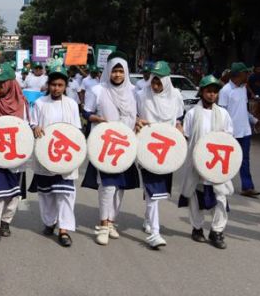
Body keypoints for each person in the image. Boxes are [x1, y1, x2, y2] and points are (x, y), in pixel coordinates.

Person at [81, 51, 141, 246]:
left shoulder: (133, 91)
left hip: (126, 144)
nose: (117, 75)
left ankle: (112, 221)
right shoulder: (98, 90)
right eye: (114, 71)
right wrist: (97, 119)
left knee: (120, 188)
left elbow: (136, 115)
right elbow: (87, 112)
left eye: (120, 71)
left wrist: (138, 123)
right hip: (105, 144)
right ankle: (103, 224)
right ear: (108, 71)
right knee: (107, 186)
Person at [179, 75, 234, 249]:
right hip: (197, 163)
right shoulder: (193, 113)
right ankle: (197, 228)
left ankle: (217, 231)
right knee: (196, 197)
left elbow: (228, 139)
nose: (212, 95)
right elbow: (186, 137)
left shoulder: (223, 114)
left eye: (215, 92)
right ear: (202, 92)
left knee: (221, 197)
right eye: (208, 91)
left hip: (217, 164)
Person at [29, 65, 81, 247]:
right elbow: (33, 123)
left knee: (65, 194)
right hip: (45, 154)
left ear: (65, 85)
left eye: (60, 85)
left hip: (66, 155)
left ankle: (64, 229)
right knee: (47, 193)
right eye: (53, 84)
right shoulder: (40, 103)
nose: (56, 88)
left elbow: (76, 131)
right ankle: (49, 222)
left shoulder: (72, 104)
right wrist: (35, 128)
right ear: (48, 85)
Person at [135, 61, 184, 249]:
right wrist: (138, 122)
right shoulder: (141, 96)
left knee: (155, 191)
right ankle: (155, 233)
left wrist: (179, 127)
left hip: (168, 148)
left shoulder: (176, 96)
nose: (155, 86)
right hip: (147, 146)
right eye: (153, 81)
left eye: (159, 82)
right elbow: (134, 116)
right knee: (153, 188)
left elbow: (178, 119)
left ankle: (148, 220)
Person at [0, 64, 28, 247]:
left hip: (17, 154)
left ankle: (6, 221)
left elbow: (29, 125)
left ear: (10, 84)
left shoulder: (23, 103)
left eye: (2, 84)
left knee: (14, 193)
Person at [219, 62, 260, 198]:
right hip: (231, 133)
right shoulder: (225, 91)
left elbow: (243, 110)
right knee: (228, 160)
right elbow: (222, 113)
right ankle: (222, 183)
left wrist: (254, 120)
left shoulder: (243, 88)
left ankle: (247, 187)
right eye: (245, 73)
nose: (248, 75)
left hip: (245, 131)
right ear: (238, 75)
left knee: (245, 160)